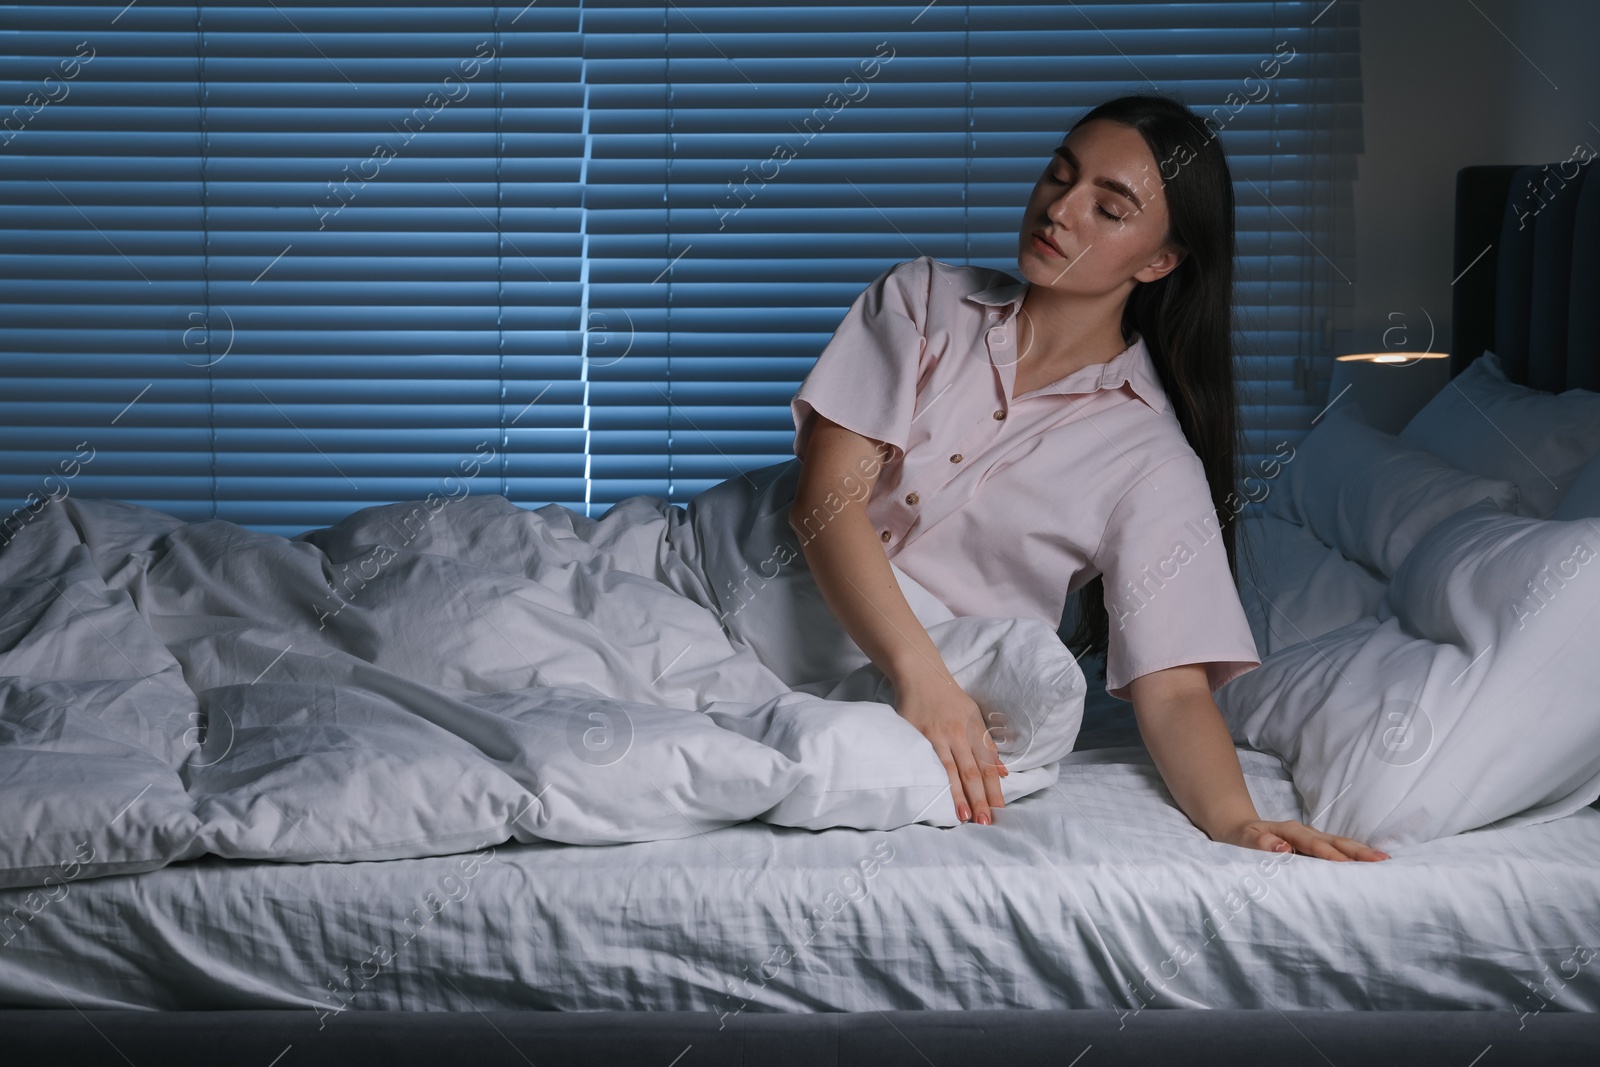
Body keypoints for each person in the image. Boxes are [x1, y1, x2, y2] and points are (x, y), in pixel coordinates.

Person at [786, 94, 1389, 862]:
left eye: (1109, 208)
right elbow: (823, 505)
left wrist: (1239, 821)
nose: (1060, 209)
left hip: (871, 678)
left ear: (1159, 259)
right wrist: (925, 679)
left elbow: (1171, 689)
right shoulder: (922, 298)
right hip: (738, 577)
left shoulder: (1150, 458)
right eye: (1058, 176)